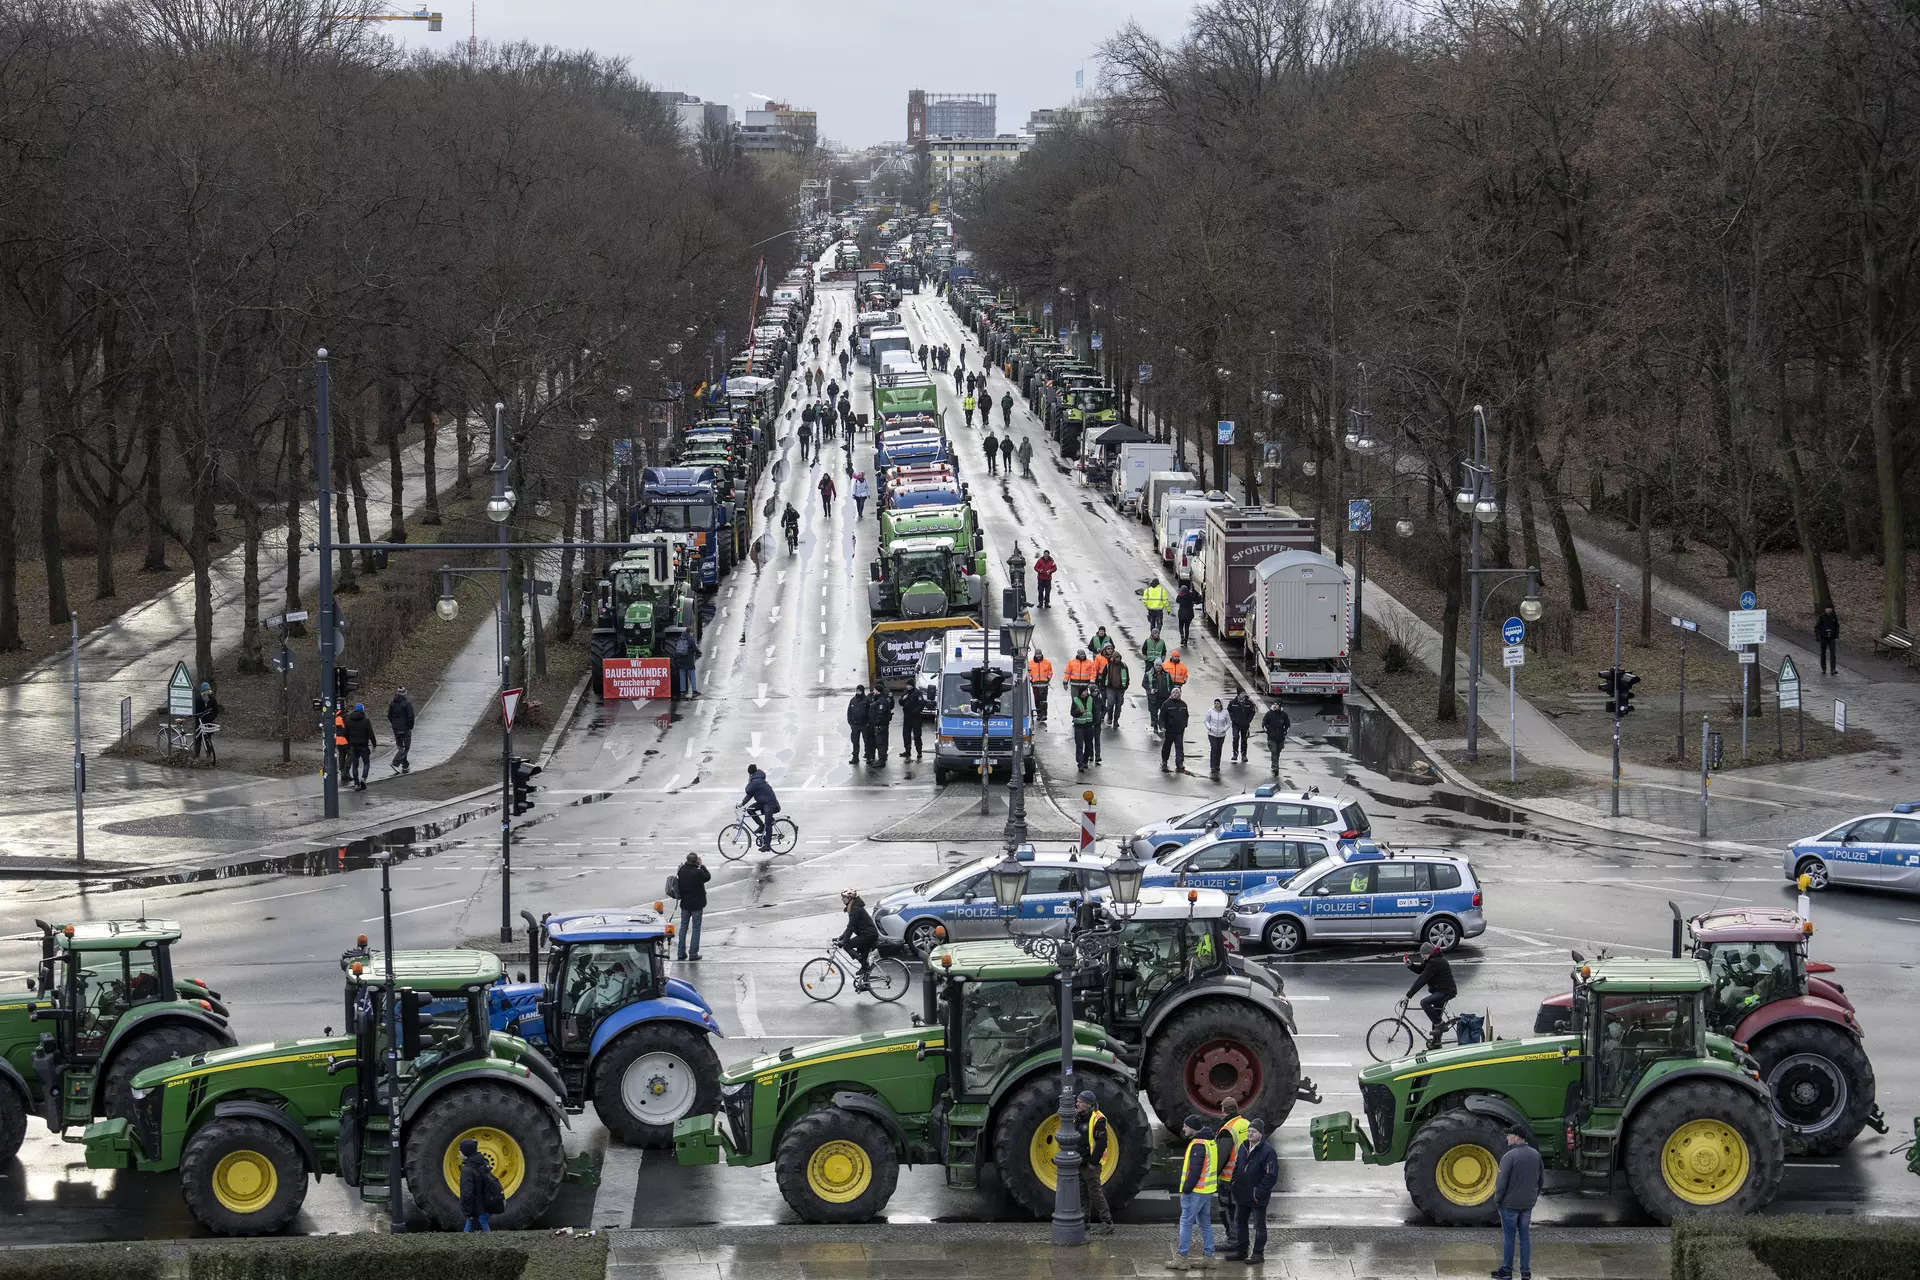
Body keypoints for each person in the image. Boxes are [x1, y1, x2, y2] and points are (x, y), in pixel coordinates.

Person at [1493, 1129, 1542, 1280]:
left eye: (1509, 1135)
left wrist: (1497, 1200)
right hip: (1527, 1204)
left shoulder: (1509, 1157)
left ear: (1516, 1137)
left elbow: (1501, 1184)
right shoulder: (1536, 1155)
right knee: (1525, 1238)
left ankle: (1507, 1271)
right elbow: (1540, 1180)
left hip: (1509, 1205)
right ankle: (1525, 1272)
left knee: (1509, 1238)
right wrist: (1532, 1198)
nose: (1507, 1138)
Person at [1227, 1117, 1276, 1264]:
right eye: (1249, 1131)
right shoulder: (1243, 1146)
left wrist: (1258, 1193)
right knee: (1240, 1223)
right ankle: (1242, 1252)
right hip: (1242, 1194)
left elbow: (1271, 1175)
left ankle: (1258, 1254)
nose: (1250, 1134)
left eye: (1253, 1132)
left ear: (1260, 1134)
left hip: (1256, 1197)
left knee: (1259, 1226)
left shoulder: (1268, 1151)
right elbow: (1237, 1166)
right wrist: (1234, 1183)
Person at [1171, 1114, 1218, 1270]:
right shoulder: (1210, 1142)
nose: (1183, 1129)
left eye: (1185, 1126)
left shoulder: (1198, 1145)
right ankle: (1209, 1257)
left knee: (1186, 1222)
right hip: (1207, 1190)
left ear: (1191, 1127)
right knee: (1205, 1223)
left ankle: (1181, 1258)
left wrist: (1186, 1190)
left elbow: (1195, 1170)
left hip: (1196, 1191)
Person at [1075, 1090, 1115, 1235]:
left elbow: (1101, 1144)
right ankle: (1085, 1222)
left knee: (1095, 1193)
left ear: (1088, 1104)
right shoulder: (1078, 1116)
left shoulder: (1098, 1119)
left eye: (1080, 1101)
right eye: (1077, 1101)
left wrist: (1093, 1162)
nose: (1077, 1103)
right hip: (1080, 1161)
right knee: (1082, 1193)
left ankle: (1107, 1222)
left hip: (1090, 1164)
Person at [1215, 1098, 1251, 1257]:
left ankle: (1233, 1241)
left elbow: (1221, 1157)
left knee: (1227, 1211)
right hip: (1246, 1176)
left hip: (1229, 1179)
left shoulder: (1228, 1129)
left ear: (1223, 1109)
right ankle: (1242, 1241)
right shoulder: (1246, 1124)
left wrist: (1211, 1176)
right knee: (1240, 1211)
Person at [1404, 941, 1458, 1048]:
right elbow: (1421, 970)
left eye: (1423, 955)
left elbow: (1422, 979)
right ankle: (1437, 1043)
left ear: (1428, 953)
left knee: (1425, 1003)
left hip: (1446, 991)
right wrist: (1410, 965)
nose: (1422, 957)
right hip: (1440, 991)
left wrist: (1408, 995)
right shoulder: (1431, 959)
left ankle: (1440, 1025)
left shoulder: (1434, 962)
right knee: (1435, 1018)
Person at [458, 1137, 505, 1232]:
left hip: (476, 1210)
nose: (459, 1152)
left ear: (466, 1152)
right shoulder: (483, 1163)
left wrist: (468, 1213)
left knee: (470, 1237)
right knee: (483, 1223)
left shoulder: (467, 1170)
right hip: (486, 1207)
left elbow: (467, 1194)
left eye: (460, 1150)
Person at [674, 851, 710, 960]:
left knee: (683, 928)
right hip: (697, 905)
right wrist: (702, 865)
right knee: (695, 929)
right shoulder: (698, 872)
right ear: (696, 861)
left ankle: (681, 953)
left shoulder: (681, 870)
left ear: (687, 860)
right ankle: (693, 953)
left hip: (685, 904)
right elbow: (707, 877)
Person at [837, 888, 879, 979]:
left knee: (847, 945)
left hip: (868, 935)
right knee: (863, 961)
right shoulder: (853, 907)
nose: (842, 899)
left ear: (850, 898)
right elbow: (850, 926)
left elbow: (850, 927)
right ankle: (865, 982)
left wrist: (844, 941)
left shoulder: (855, 909)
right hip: (866, 935)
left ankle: (864, 964)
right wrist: (841, 938)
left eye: (844, 897)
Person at [743, 764, 781, 851]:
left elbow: (748, 789)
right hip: (764, 802)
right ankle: (761, 825)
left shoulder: (755, 781)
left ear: (750, 773)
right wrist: (742, 803)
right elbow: (750, 794)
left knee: (768, 825)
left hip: (770, 803)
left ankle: (767, 845)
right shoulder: (757, 778)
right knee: (750, 809)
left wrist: (749, 780)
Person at [344, 702, 376, 788]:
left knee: (355, 765)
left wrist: (349, 741)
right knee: (366, 763)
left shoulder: (349, 720)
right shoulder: (366, 721)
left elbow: (345, 733)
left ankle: (356, 784)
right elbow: (371, 733)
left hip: (353, 746)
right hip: (364, 745)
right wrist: (374, 744)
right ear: (362, 710)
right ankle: (363, 779)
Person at [1161, 687, 1190, 772]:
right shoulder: (1166, 704)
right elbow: (1162, 717)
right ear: (1171, 694)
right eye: (1174, 693)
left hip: (1179, 731)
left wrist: (1184, 725)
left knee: (1179, 747)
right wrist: (1162, 726)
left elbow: (1186, 715)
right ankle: (1164, 762)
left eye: (1178, 693)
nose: (1176, 694)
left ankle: (1179, 763)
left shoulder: (1183, 704)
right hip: (1169, 731)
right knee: (1167, 747)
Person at [667, 626, 700, 699]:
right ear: (690, 632)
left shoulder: (679, 639)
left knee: (682, 675)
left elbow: (676, 648)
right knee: (692, 675)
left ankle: (682, 691)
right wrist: (699, 652)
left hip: (681, 661)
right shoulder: (690, 639)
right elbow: (694, 648)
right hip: (689, 661)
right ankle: (694, 691)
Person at [387, 686, 414, 773]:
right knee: (406, 747)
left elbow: (389, 715)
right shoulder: (407, 703)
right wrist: (410, 726)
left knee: (400, 747)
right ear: (405, 693)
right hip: (405, 728)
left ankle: (405, 765)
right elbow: (410, 716)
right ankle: (395, 763)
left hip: (396, 729)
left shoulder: (392, 703)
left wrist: (394, 724)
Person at [1071, 682, 1098, 771]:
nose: (1085, 693)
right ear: (1080, 692)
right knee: (1079, 746)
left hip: (1089, 726)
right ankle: (1080, 763)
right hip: (1079, 727)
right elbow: (1072, 713)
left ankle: (1085, 761)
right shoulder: (1075, 700)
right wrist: (1078, 712)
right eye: (1084, 691)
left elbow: (1095, 711)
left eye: (1086, 691)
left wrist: (1094, 722)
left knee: (1089, 745)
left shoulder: (1090, 699)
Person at [865, 686, 893, 766]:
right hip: (881, 725)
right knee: (881, 743)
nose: (873, 691)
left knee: (880, 743)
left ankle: (881, 761)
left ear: (878, 691)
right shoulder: (880, 699)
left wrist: (877, 724)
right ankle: (881, 760)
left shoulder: (881, 701)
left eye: (874, 690)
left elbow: (880, 714)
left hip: (881, 726)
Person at [1102, 647, 1130, 728]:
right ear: (1113, 658)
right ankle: (1110, 717)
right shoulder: (1108, 666)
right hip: (1110, 688)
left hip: (1120, 689)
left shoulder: (1124, 666)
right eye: (1116, 658)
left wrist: (1126, 686)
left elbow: (1127, 677)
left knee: (1118, 706)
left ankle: (1116, 721)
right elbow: (1103, 676)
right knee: (1110, 703)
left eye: (1119, 658)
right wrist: (1103, 687)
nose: (1118, 659)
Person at [192, 681, 220, 763]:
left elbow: (216, 711)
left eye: (208, 692)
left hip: (208, 722)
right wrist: (198, 717)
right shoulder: (197, 699)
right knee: (197, 739)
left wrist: (210, 718)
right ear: (202, 692)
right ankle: (196, 756)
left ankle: (209, 755)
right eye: (205, 693)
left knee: (207, 739)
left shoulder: (212, 699)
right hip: (199, 721)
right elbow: (195, 712)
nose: (206, 695)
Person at [1204, 697, 1231, 779]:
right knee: (1214, 748)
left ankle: (1217, 765)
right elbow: (1206, 721)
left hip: (1221, 735)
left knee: (1219, 749)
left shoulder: (1225, 712)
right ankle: (1212, 766)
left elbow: (1229, 722)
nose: (1216, 705)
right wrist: (1209, 728)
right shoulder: (1210, 711)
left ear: (1221, 704)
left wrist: (1224, 729)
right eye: (1215, 703)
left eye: (1217, 703)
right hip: (1212, 734)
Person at [1144, 659, 1172, 735]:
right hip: (1153, 697)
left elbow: (1171, 684)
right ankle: (1155, 726)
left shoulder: (1166, 674)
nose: (1158, 667)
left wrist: (1170, 694)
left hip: (1164, 697)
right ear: (1154, 665)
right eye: (1157, 665)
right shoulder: (1148, 674)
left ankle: (1161, 725)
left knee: (1163, 712)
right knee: (1154, 713)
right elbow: (1144, 684)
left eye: (1160, 665)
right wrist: (1150, 690)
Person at [1226, 690, 1255, 763]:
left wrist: (1248, 720)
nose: (1244, 694)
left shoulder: (1249, 703)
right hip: (1235, 724)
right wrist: (1233, 719)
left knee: (1244, 740)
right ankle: (1235, 754)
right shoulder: (1233, 702)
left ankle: (1244, 755)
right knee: (1235, 737)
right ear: (1238, 694)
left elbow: (1252, 712)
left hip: (1245, 725)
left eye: (1244, 693)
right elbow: (1229, 711)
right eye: (1242, 693)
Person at [899, 684, 928, 759]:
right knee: (906, 735)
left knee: (917, 736)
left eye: (909, 685)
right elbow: (900, 702)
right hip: (907, 718)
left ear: (912, 686)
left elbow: (922, 703)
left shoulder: (917, 693)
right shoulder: (906, 692)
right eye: (907, 685)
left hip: (916, 718)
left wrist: (915, 711)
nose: (907, 686)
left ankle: (919, 752)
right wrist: (903, 699)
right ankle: (907, 751)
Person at [1262, 702, 1291, 774]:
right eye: (1274, 704)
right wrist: (1268, 731)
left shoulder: (1284, 714)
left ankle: (1274, 764)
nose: (1275, 706)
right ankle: (1275, 767)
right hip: (1271, 737)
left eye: (1277, 705)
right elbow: (1264, 723)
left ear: (1279, 706)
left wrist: (1285, 732)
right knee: (1274, 751)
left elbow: (1287, 725)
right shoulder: (1269, 714)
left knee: (1277, 752)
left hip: (1281, 737)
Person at [1027, 647, 1053, 725]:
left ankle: (1044, 714)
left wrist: (1048, 678)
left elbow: (1050, 672)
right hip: (1035, 685)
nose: (1038, 656)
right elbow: (1028, 673)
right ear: (1035, 655)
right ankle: (1039, 714)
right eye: (1037, 654)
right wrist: (1031, 679)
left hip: (1044, 684)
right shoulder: (1030, 663)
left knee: (1044, 700)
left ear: (1041, 654)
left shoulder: (1047, 662)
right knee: (1037, 700)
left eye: (1039, 654)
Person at [845, 686, 870, 765]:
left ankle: (869, 756)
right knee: (855, 742)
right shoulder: (853, 700)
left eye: (859, 691)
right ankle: (855, 757)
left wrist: (868, 723)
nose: (858, 692)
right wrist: (850, 722)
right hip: (855, 725)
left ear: (862, 691)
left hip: (864, 725)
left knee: (867, 741)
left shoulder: (867, 700)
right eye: (857, 691)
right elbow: (849, 712)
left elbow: (870, 712)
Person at [1816, 603, 1840, 675]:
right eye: (1827, 608)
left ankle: (1833, 669)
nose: (1829, 610)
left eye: (1830, 608)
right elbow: (1817, 627)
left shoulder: (1834, 617)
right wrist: (1818, 637)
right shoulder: (1821, 617)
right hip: (1823, 638)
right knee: (1823, 653)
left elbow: (1837, 626)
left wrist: (1836, 635)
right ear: (1825, 609)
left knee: (1833, 654)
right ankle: (1824, 668)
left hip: (1832, 638)